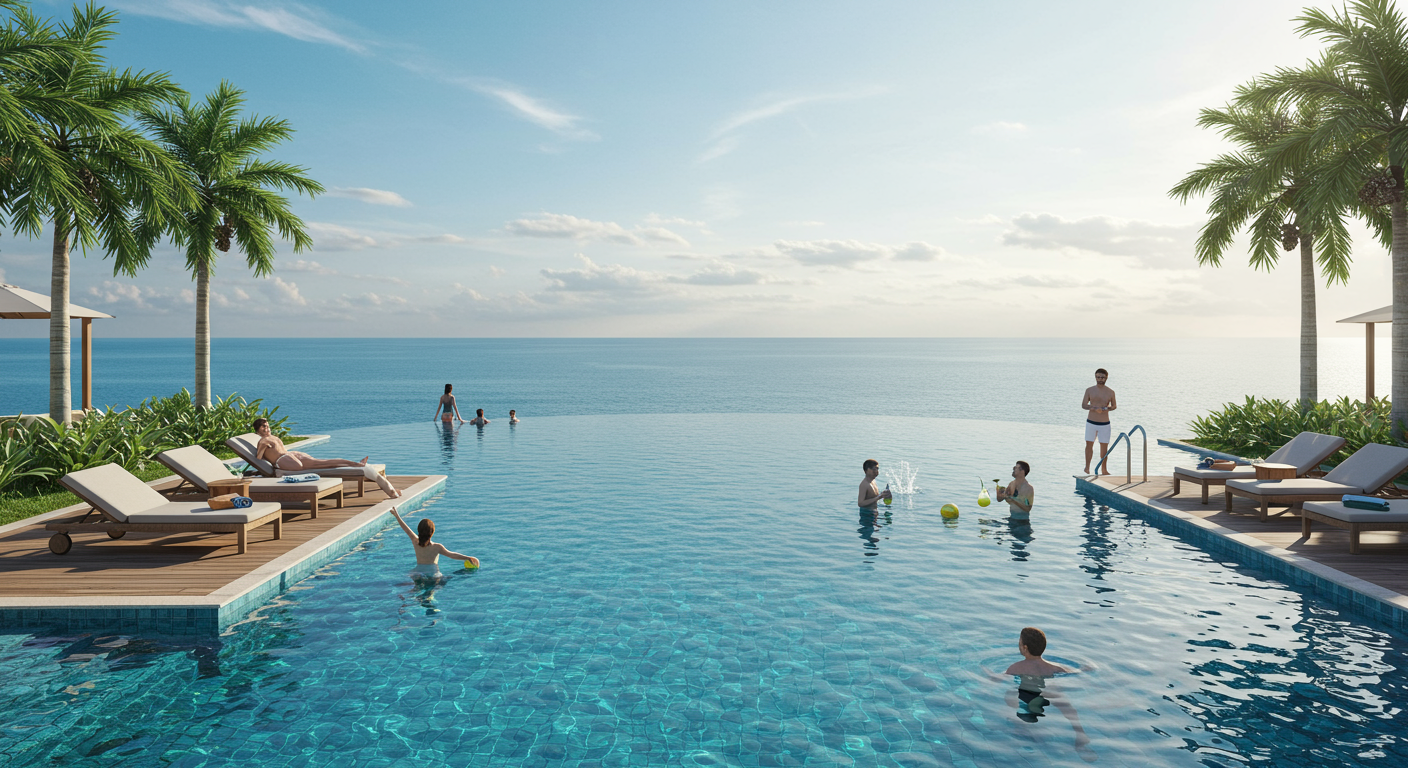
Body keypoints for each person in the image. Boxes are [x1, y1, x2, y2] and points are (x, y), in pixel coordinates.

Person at [252, 417, 402, 498]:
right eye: (263, 427)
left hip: (290, 456)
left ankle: (356, 464)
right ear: (258, 430)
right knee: (323, 465)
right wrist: (264, 447)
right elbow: (258, 457)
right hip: (284, 461)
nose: (267, 428)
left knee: (325, 462)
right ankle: (356, 465)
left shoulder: (272, 436)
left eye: (267, 426)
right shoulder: (263, 441)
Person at [1004, 627, 1092, 754]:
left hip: (1027, 693)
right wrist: (1085, 668)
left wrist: (987, 672)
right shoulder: (1053, 667)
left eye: (1019, 642)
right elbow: (1074, 672)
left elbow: (998, 678)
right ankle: (1080, 733)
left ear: (1025, 648)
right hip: (1048, 690)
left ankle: (1022, 730)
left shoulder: (1016, 667)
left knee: (1011, 700)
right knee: (1067, 707)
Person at [390, 506, 478, 580]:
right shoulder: (437, 547)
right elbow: (452, 555)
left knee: (417, 588)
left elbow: (406, 529)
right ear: (432, 532)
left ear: (418, 531)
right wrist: (467, 557)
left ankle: (410, 594)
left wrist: (397, 516)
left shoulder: (415, 541)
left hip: (418, 571)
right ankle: (430, 596)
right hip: (433, 573)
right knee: (440, 584)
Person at [1081, 368, 1117, 475]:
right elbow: (1083, 405)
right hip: (1091, 422)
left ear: (1106, 378)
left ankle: (1104, 469)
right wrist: (1093, 407)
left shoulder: (1110, 392)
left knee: (1104, 446)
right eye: (1098, 377)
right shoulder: (1089, 390)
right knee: (1089, 444)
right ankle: (1087, 467)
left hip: (1104, 423)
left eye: (1102, 377)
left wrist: (1106, 409)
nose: (1100, 379)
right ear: (1095, 377)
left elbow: (1114, 406)